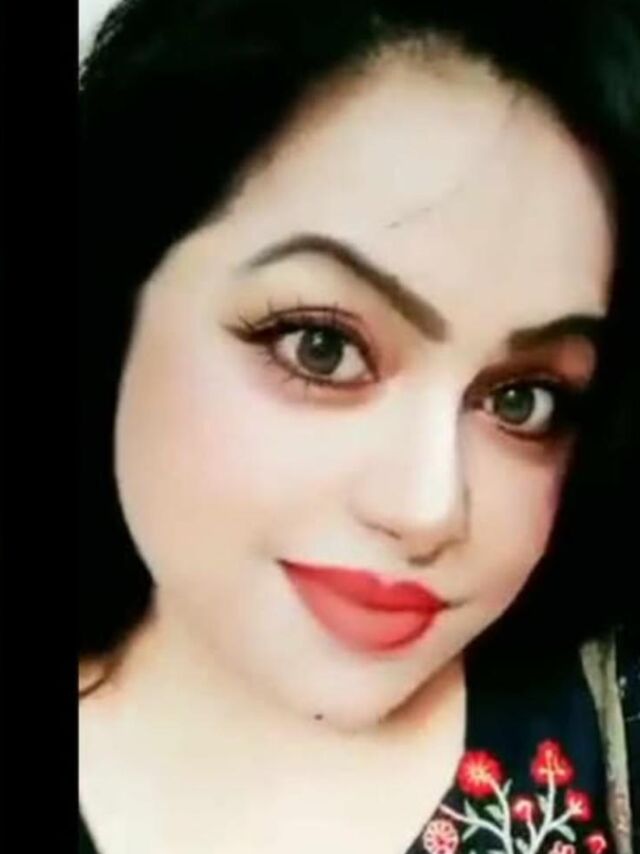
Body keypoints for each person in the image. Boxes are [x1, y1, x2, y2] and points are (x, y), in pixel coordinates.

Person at [78, 1, 640, 852]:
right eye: (322, 348)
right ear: (117, 303)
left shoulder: (609, 708)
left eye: (523, 399)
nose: (426, 509)